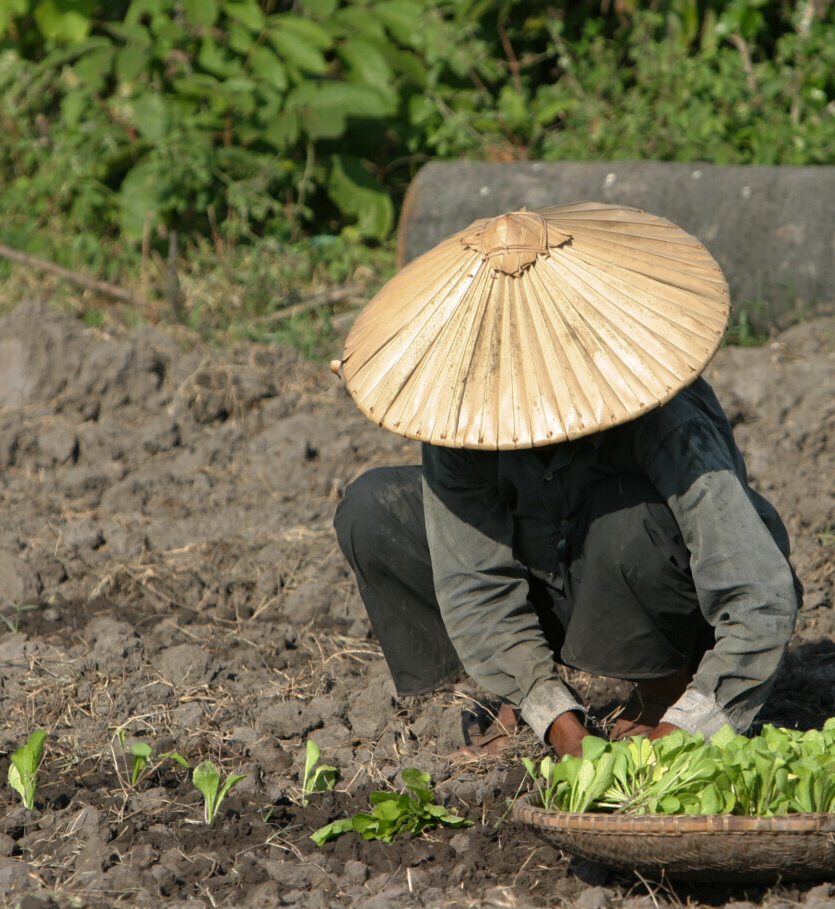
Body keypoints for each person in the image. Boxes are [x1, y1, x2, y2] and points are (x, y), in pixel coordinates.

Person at [331, 203, 800, 759]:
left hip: (648, 578)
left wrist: (695, 724)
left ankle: (661, 688)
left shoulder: (665, 413)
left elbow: (758, 592)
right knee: (375, 509)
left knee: (628, 520)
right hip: (545, 570)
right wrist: (552, 714)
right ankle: (514, 692)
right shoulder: (460, 413)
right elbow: (475, 579)